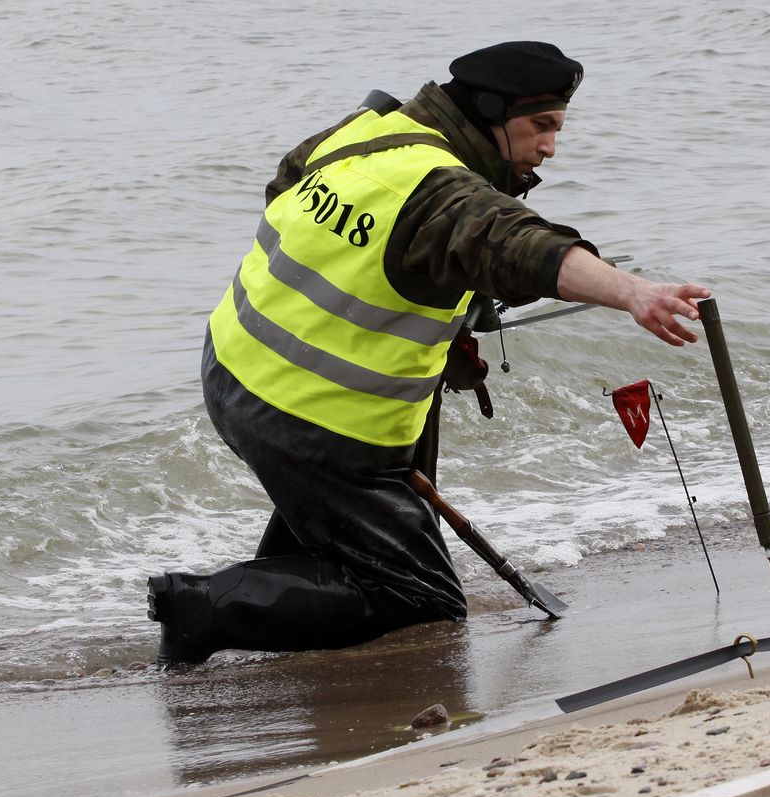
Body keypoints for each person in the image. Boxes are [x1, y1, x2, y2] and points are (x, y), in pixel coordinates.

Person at [146, 41, 710, 666]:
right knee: (416, 596)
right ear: (490, 113)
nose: (550, 146)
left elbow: (288, 191)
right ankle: (198, 609)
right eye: (540, 126)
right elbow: (521, 247)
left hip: (233, 369)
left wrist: (432, 306)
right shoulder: (442, 193)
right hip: (314, 420)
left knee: (342, 531)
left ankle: (273, 595)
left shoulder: (367, 134)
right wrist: (633, 292)